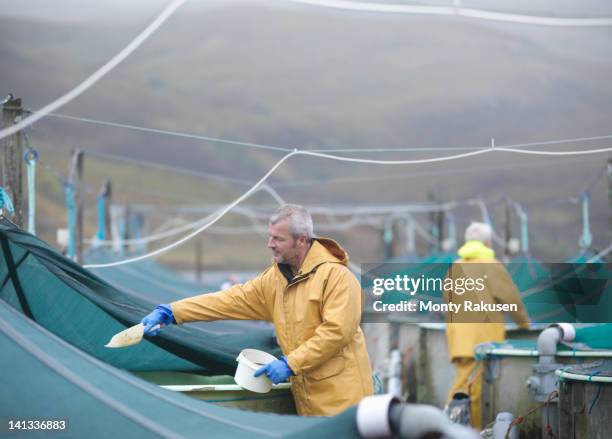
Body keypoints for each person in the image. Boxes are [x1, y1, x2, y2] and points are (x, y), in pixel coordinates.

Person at [141, 204, 373, 416]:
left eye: (278, 239)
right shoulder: (274, 280)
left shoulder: (337, 278)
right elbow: (229, 300)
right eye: (269, 236)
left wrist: (290, 364)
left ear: (302, 240)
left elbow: (336, 332)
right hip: (308, 404)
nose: (269, 244)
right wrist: (174, 311)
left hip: (345, 402)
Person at [443, 222, 530, 429]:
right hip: (481, 340)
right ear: (489, 242)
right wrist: (524, 323)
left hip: (459, 338)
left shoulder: (455, 266)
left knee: (462, 385)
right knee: (474, 392)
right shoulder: (490, 265)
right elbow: (511, 298)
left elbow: (448, 300)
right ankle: (464, 431)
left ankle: (449, 427)